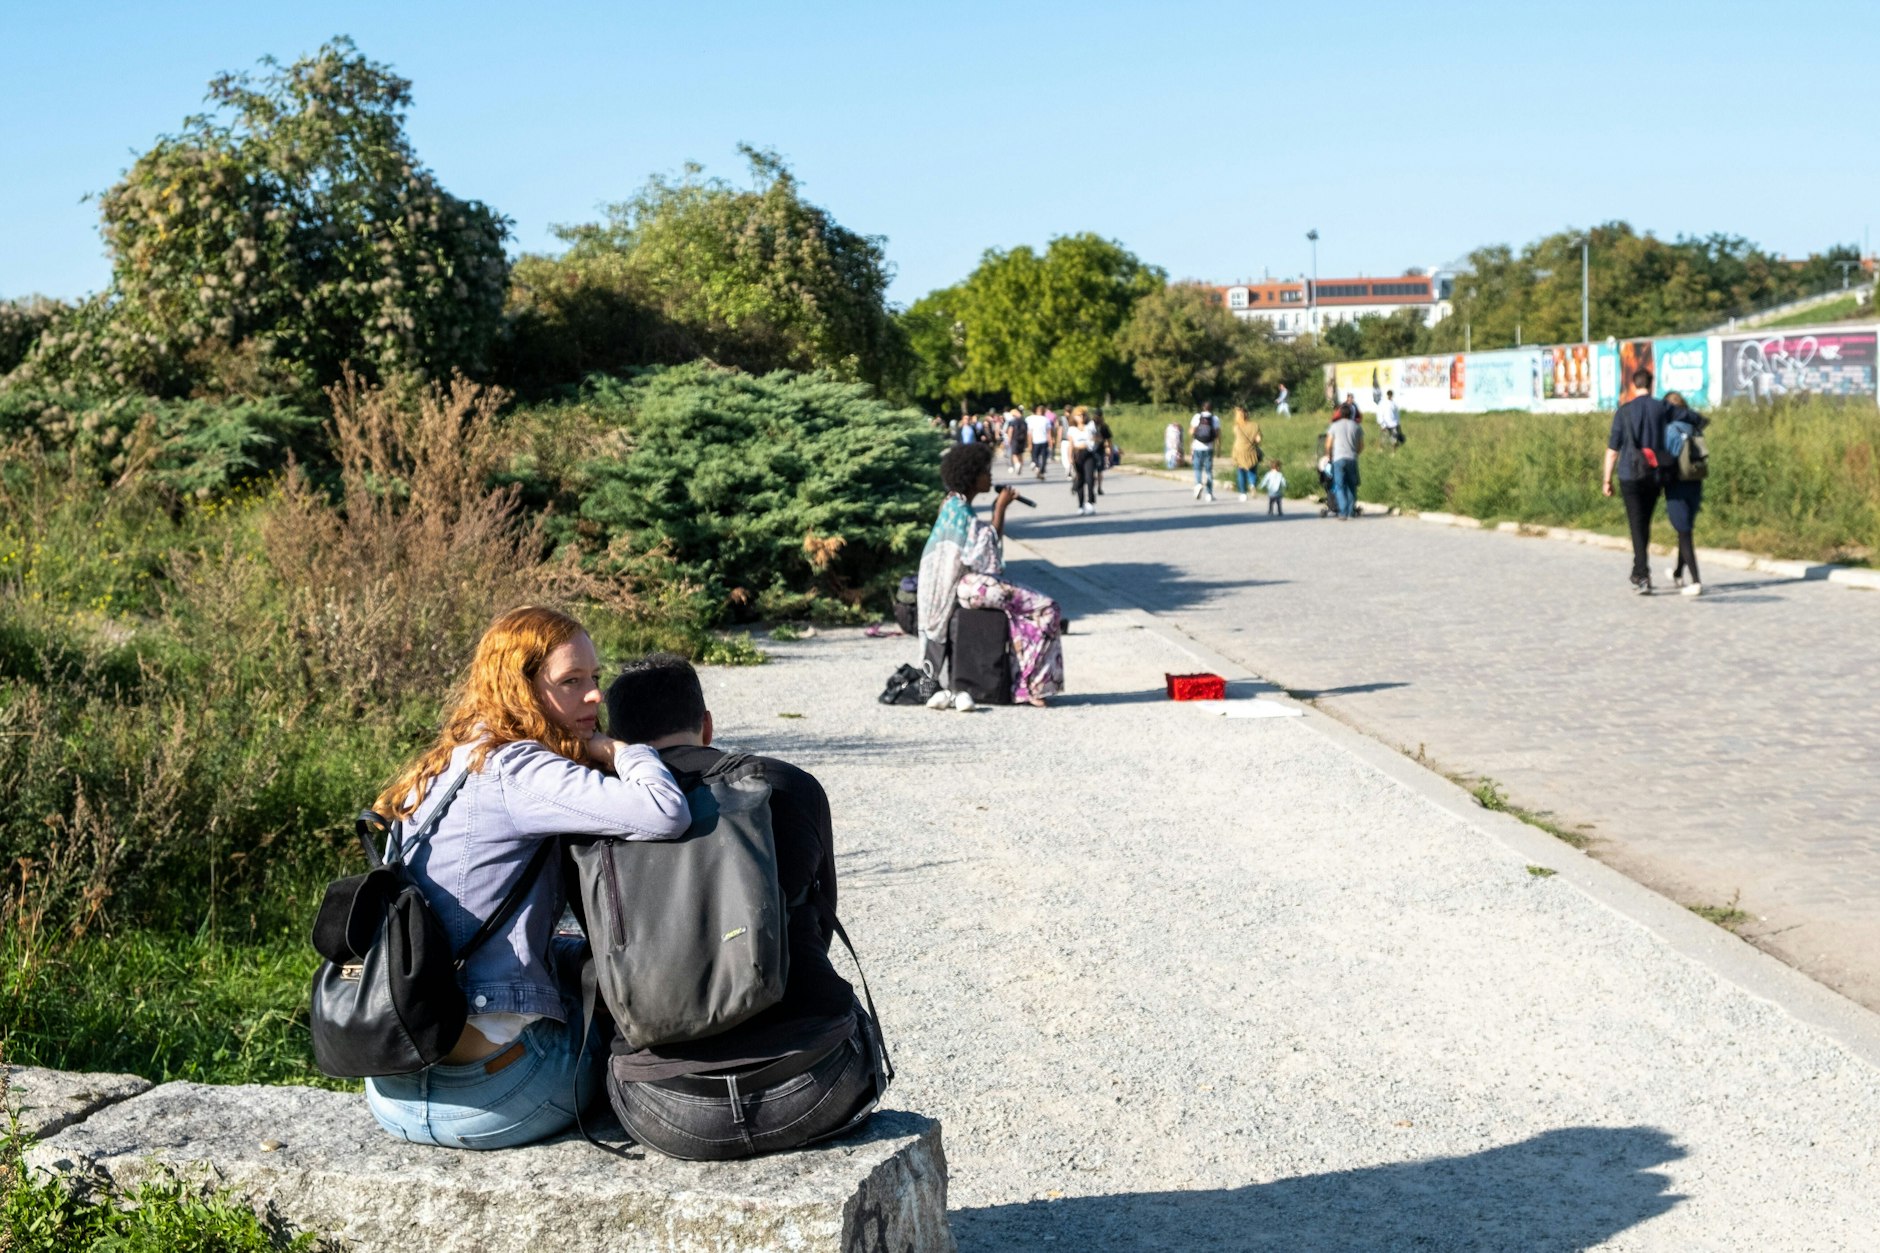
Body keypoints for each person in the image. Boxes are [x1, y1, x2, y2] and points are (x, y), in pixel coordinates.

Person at [362, 606, 693, 1150]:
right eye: (572, 681)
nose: (595, 696)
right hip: (491, 1101)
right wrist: (618, 750)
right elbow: (663, 811)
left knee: (570, 954)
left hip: (392, 1089)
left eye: (595, 678)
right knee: (616, 998)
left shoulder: (446, 762)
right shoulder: (519, 767)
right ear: (522, 690)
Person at [600, 655, 886, 1159]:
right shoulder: (789, 785)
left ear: (617, 739)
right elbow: (816, 926)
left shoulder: (595, 808)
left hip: (666, 1108)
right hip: (817, 1083)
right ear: (706, 725)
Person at [917, 442, 1065, 707]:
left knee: (1022, 610)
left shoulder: (950, 504)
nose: (991, 475)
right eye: (985, 470)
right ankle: (1032, 687)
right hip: (970, 587)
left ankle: (1023, 683)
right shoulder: (962, 513)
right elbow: (988, 559)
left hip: (950, 590)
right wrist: (1000, 509)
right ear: (972, 477)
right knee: (1047, 608)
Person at [1602, 368, 1674, 594]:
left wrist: (1607, 480)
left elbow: (1612, 450)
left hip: (1629, 475)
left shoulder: (1623, 412)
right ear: (1652, 384)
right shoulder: (1661, 408)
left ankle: (1642, 574)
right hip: (1654, 474)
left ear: (1633, 385)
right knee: (1644, 523)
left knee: (1636, 523)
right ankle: (1639, 569)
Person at [1662, 391, 1708, 597]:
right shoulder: (1695, 428)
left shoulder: (1671, 430)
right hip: (1695, 483)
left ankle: (1696, 580)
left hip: (1677, 485)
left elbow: (1668, 458)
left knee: (1684, 532)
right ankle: (1678, 573)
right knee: (1685, 529)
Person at [1325, 403, 1364, 519]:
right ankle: (1351, 511)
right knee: (1352, 485)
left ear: (1340, 414)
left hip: (1338, 458)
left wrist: (1329, 455)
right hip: (1352, 458)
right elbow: (1361, 445)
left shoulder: (1334, 426)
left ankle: (1343, 512)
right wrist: (1355, 453)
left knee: (1340, 485)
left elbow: (1328, 444)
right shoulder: (1356, 426)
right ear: (1351, 413)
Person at [1067, 406, 1102, 515]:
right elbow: (1071, 445)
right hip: (1078, 455)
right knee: (1080, 480)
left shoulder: (1090, 427)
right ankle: (1080, 504)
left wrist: (1095, 438)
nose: (1081, 417)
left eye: (1083, 415)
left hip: (1089, 454)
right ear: (1075, 417)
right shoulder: (1072, 429)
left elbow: (1099, 438)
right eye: (1079, 415)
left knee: (1090, 478)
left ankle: (1090, 502)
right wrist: (1070, 458)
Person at [1230, 407, 1264, 502]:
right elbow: (1258, 439)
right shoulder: (1255, 425)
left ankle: (1243, 493)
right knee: (1252, 470)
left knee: (1241, 472)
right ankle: (1252, 484)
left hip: (1239, 451)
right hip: (1251, 451)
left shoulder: (1237, 427)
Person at [1190, 402, 1220, 502]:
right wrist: (1218, 449)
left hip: (1197, 447)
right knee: (1208, 471)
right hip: (1209, 448)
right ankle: (1209, 494)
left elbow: (1191, 432)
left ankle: (1198, 484)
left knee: (1197, 468)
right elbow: (1217, 435)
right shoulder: (1215, 419)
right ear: (1212, 409)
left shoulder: (1197, 417)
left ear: (1203, 408)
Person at [1025, 404, 1054, 480]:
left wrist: (1050, 441)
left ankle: (1040, 469)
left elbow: (1048, 432)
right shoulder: (1040, 419)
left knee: (1039, 457)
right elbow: (1030, 433)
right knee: (1039, 457)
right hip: (1038, 440)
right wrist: (1030, 443)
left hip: (1040, 440)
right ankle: (1040, 469)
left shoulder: (1043, 420)